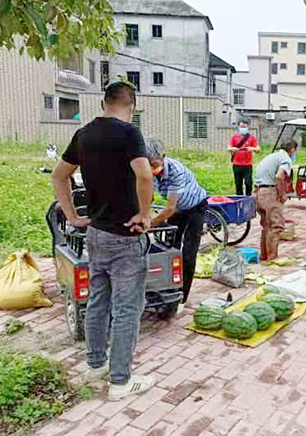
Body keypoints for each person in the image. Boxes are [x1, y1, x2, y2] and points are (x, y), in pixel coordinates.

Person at [52, 82, 155, 400]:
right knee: (126, 309)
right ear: (132, 105)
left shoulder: (83, 134)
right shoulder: (129, 133)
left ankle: (95, 364)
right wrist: (145, 213)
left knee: (97, 301)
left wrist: (70, 215)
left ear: (103, 103)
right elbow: (145, 174)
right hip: (125, 235)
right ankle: (121, 381)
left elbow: (59, 175)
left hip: (95, 233)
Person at [145, 139, 208, 311]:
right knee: (169, 249)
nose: (152, 168)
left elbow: (170, 207)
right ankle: (166, 287)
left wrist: (151, 223)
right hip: (178, 210)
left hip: (195, 208)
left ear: (163, 157)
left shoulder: (175, 171)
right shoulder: (146, 170)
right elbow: (147, 197)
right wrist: (143, 214)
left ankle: (182, 297)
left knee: (188, 252)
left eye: (155, 164)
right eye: (148, 164)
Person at [253, 139, 298, 261]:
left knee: (266, 226)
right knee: (276, 226)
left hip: (258, 192)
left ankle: (264, 255)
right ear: (292, 150)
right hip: (269, 193)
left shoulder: (271, 156)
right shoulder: (285, 159)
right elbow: (279, 176)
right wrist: (282, 194)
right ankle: (272, 257)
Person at [229, 119, 260, 196]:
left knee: (248, 183)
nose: (243, 128)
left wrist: (252, 149)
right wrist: (233, 149)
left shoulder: (251, 137)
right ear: (238, 127)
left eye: (244, 126)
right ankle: (239, 199)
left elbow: (258, 149)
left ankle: (248, 197)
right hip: (237, 164)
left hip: (247, 165)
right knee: (238, 184)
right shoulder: (234, 137)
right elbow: (228, 148)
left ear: (248, 127)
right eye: (241, 126)